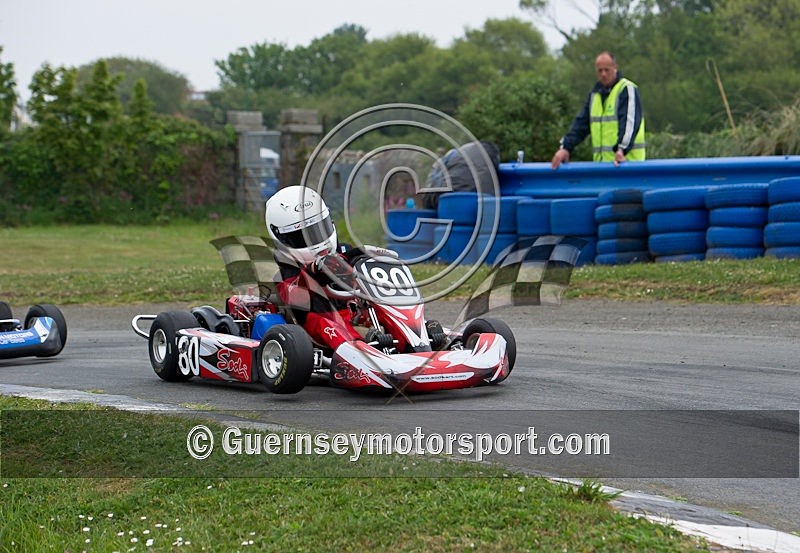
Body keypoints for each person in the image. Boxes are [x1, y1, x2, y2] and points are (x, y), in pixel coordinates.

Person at [551, 51, 645, 169]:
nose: (603, 74)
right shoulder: (595, 95)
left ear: (615, 68)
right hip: (602, 168)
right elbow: (581, 124)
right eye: (600, 71)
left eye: (607, 70)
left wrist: (621, 149)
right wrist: (566, 147)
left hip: (627, 166)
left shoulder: (626, 89)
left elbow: (629, 123)